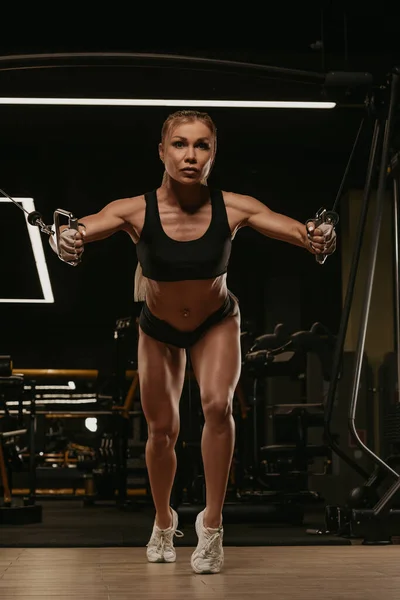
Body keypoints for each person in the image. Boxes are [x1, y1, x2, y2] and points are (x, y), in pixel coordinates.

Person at [50, 109, 336, 574]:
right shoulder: (135, 210)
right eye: (180, 144)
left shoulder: (235, 206)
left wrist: (317, 236)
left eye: (202, 145)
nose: (190, 155)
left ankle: (212, 526)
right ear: (162, 152)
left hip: (216, 321)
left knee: (217, 408)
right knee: (162, 431)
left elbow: (296, 231)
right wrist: (66, 237)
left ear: (213, 154)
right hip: (157, 328)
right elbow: (85, 226)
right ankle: (164, 520)